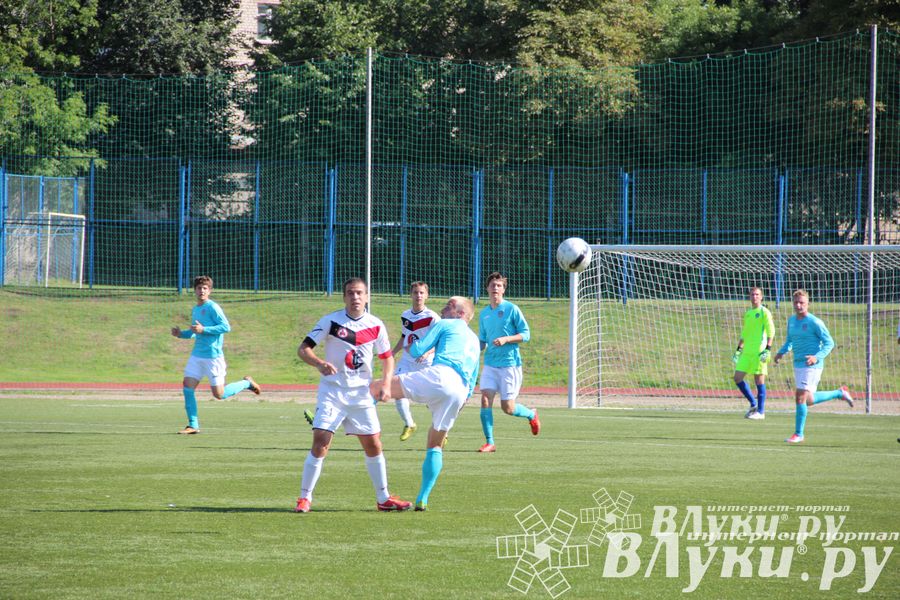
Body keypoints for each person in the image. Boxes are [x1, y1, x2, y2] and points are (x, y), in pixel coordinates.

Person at [293, 277, 411, 513]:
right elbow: (303, 349)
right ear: (344, 297)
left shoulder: (376, 325)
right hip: (333, 391)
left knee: (373, 444)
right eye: (350, 293)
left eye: (359, 293)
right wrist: (319, 363)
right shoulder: (330, 322)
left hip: (361, 394)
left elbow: (387, 357)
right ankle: (305, 498)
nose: (355, 297)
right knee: (321, 442)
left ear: (366, 296)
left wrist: (386, 385)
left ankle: (383, 498)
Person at [371, 296, 480, 511]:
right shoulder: (475, 340)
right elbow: (471, 384)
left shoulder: (445, 323)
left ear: (460, 314)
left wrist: (410, 343)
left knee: (375, 388)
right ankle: (423, 497)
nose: (444, 307)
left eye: (449, 305)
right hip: (459, 391)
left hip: (441, 376)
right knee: (435, 444)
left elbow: (419, 350)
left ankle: (337, 421)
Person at [170, 275, 260, 435]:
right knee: (187, 388)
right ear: (195, 290)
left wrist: (204, 329)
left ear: (209, 291)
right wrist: (180, 334)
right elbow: (194, 332)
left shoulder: (213, 307)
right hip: (197, 357)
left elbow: (226, 327)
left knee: (219, 394)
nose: (201, 291)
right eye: (199, 288)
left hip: (213, 357)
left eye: (205, 288)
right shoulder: (196, 309)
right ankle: (193, 425)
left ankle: (247, 383)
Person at [774, 289, 853, 444]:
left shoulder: (815, 322)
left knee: (800, 397)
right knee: (808, 400)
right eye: (796, 302)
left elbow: (830, 343)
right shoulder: (791, 320)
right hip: (798, 364)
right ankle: (839, 393)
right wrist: (780, 352)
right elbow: (790, 341)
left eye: (801, 302)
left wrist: (816, 357)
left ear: (808, 304)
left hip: (812, 365)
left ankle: (798, 434)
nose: (798, 305)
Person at [477, 272, 539, 453]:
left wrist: (507, 339)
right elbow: (482, 340)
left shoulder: (512, 309)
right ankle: (490, 442)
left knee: (508, 408)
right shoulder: (484, 314)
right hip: (490, 364)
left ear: (503, 289)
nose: (495, 288)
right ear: (487, 288)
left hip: (510, 365)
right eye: (492, 285)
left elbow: (526, 335)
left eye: (499, 285)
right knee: (485, 400)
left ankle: (531, 414)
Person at [390, 281, 441, 441]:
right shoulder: (405, 315)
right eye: (415, 292)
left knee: (432, 399)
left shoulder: (432, 317)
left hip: (425, 362)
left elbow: (438, 340)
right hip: (407, 360)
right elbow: (404, 337)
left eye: (421, 293)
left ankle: (440, 431)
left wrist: (427, 353)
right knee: (397, 390)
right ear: (411, 295)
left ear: (427, 295)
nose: (418, 295)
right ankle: (410, 424)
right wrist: (392, 352)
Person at [732, 286, 775, 420]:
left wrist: (767, 349)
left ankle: (761, 412)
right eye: (752, 294)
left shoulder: (764, 312)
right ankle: (753, 404)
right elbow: (744, 334)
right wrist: (738, 350)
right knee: (737, 378)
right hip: (747, 353)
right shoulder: (748, 313)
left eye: (757, 294)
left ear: (761, 297)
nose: (754, 297)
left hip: (759, 352)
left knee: (759, 380)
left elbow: (771, 332)